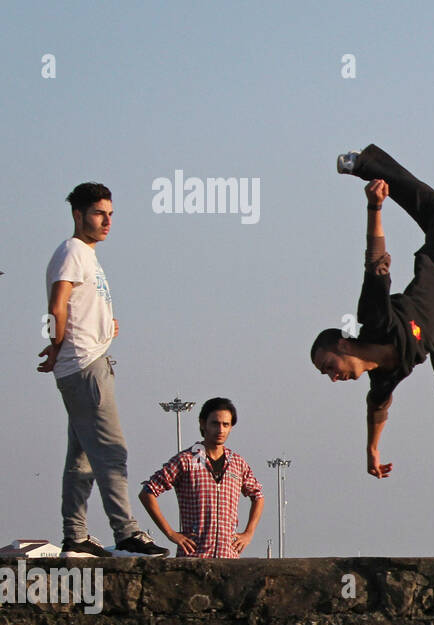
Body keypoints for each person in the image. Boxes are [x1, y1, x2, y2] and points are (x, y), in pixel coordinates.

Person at [311, 145, 434, 479]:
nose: (333, 377)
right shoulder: (383, 377)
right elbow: (377, 409)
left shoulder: (375, 321)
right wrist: (372, 450)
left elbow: (374, 263)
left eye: (330, 366)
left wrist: (375, 208)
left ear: (344, 345)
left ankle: (363, 163)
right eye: (325, 374)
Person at [39, 183, 165, 558]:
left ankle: (75, 535)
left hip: (83, 363)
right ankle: (126, 532)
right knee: (111, 452)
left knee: (80, 459)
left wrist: (104, 326)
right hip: (84, 367)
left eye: (110, 214)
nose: (107, 221)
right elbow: (58, 304)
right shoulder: (73, 251)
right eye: (99, 213)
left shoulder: (85, 255)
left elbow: (73, 307)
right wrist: (56, 344)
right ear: (79, 216)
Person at [139, 397, 265, 558]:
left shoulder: (237, 463)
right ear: (203, 423)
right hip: (194, 555)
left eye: (226, 424)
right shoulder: (186, 460)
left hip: (228, 557)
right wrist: (171, 533)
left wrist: (249, 533)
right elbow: (147, 492)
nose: (220, 430)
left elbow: (258, 496)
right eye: (215, 423)